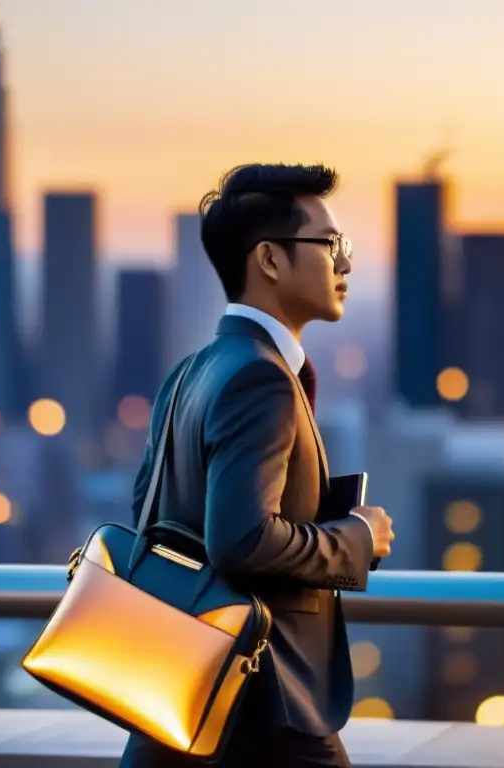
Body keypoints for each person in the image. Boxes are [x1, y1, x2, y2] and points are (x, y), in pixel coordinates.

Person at [118, 163, 394, 767]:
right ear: (270, 260)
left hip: (186, 686)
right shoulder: (260, 379)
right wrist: (357, 537)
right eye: (331, 245)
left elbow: (150, 513)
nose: (345, 263)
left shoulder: (190, 372)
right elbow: (240, 540)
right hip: (265, 699)